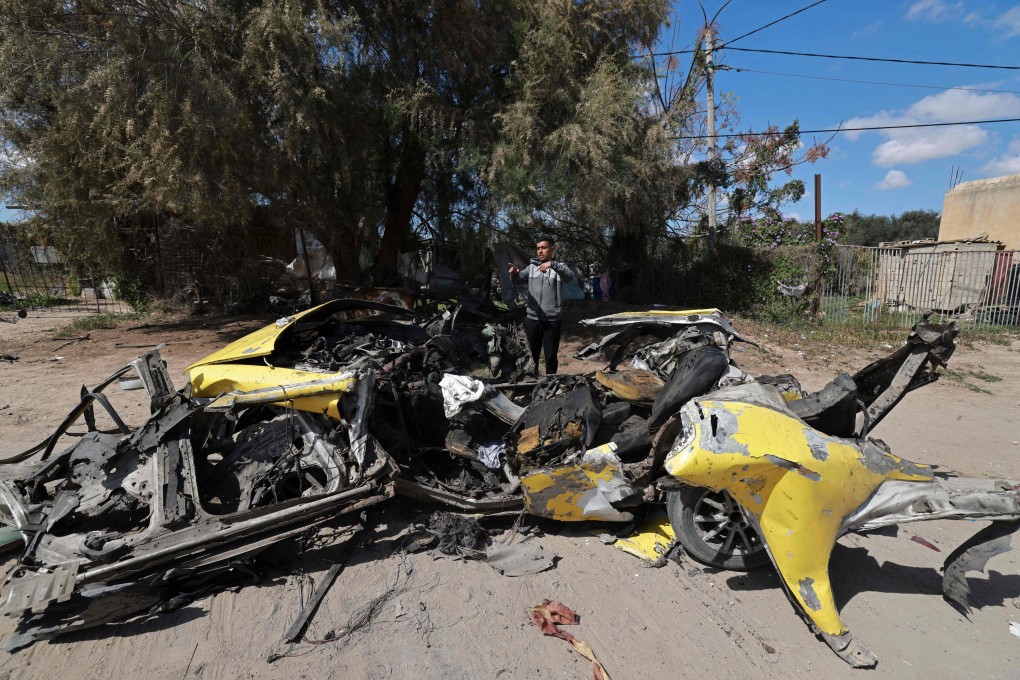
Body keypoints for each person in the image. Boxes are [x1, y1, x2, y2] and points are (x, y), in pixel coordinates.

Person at [508, 236, 575, 376]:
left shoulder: (560, 267)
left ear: (552, 248)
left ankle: (550, 383)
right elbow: (520, 279)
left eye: (543, 248)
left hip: (552, 320)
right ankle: (532, 382)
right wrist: (515, 274)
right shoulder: (532, 267)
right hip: (532, 319)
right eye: (538, 248)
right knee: (532, 355)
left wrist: (552, 265)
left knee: (550, 356)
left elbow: (569, 276)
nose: (540, 251)